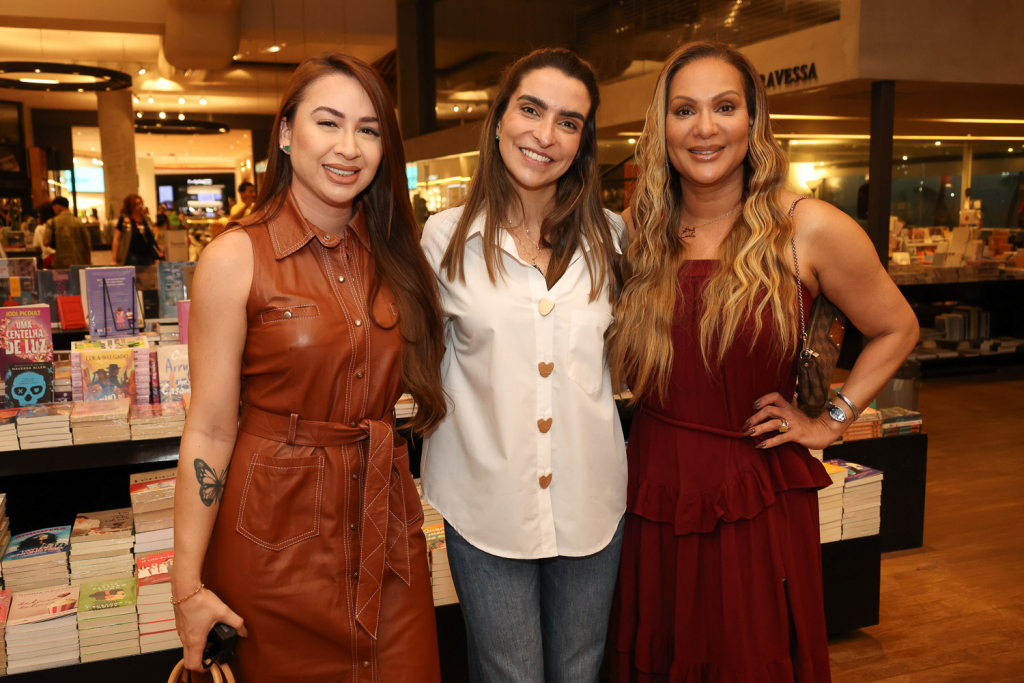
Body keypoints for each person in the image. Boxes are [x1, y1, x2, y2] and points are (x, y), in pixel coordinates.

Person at [605, 41, 920, 682]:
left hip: (752, 486)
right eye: (685, 110)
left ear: (755, 122)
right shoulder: (637, 234)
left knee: (749, 654)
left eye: (725, 107)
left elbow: (896, 327)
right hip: (653, 480)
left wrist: (831, 420)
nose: (705, 128)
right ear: (661, 127)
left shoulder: (809, 226)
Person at [172, 53, 447, 682]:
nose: (349, 147)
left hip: (389, 544)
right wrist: (187, 588)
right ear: (288, 133)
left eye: (369, 129)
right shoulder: (234, 257)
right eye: (329, 123)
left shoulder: (399, 254)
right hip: (273, 551)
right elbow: (211, 427)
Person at [420, 48, 625, 683]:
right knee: (509, 674)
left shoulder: (614, 239)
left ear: (584, 141)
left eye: (568, 121)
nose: (544, 135)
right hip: (483, 500)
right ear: (499, 119)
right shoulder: (443, 238)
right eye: (530, 110)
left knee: (580, 668)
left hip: (592, 498)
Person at [111, 194, 162, 265]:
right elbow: (117, 239)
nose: (140, 206)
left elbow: (151, 238)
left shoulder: (147, 219)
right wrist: (114, 259)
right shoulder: (125, 220)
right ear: (131, 206)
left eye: (141, 203)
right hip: (132, 257)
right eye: (137, 204)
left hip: (148, 256)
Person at [45, 197, 91, 269]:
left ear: (57, 207)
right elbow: (87, 244)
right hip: (79, 263)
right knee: (78, 280)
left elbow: (46, 242)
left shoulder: (52, 222)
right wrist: (89, 262)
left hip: (60, 264)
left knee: (61, 280)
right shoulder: (79, 222)